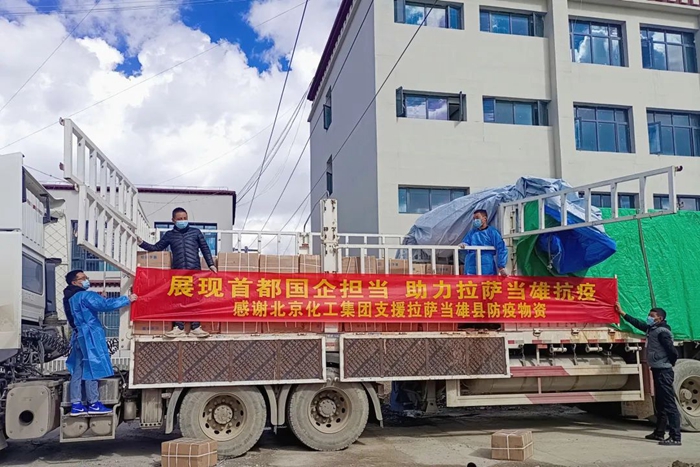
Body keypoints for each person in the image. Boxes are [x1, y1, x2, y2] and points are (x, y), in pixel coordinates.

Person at [64, 270, 137, 416]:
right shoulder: (85, 295)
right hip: (90, 335)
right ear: (74, 282)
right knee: (93, 367)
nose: (86, 279)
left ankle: (76, 404)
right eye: (83, 278)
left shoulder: (69, 297)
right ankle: (93, 403)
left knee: (78, 371)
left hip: (79, 336)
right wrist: (127, 299)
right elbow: (105, 305)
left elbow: (86, 309)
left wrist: (99, 298)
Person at [138, 207, 216, 338]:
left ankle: (196, 327)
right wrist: (141, 243)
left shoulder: (195, 232)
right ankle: (178, 327)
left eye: (185, 218)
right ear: (173, 220)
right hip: (178, 272)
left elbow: (205, 249)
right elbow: (156, 247)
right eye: (179, 219)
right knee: (178, 299)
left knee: (195, 299)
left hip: (194, 271)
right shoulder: (170, 235)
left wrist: (211, 264)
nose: (183, 221)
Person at [614, 303, 681, 446]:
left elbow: (672, 351)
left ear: (659, 318)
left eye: (652, 316)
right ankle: (659, 433)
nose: (649, 317)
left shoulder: (662, 332)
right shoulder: (652, 329)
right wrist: (622, 313)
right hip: (657, 370)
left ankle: (675, 437)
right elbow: (639, 324)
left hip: (664, 371)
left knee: (669, 404)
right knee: (660, 403)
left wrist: (669, 363)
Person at [459, 209, 508, 276]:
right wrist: (464, 245)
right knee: (470, 282)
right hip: (471, 265)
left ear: (485, 218)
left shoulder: (492, 232)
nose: (475, 220)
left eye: (477, 218)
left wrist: (501, 266)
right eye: (474, 219)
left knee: (486, 282)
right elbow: (465, 244)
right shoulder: (472, 233)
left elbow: (501, 248)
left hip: (486, 265)